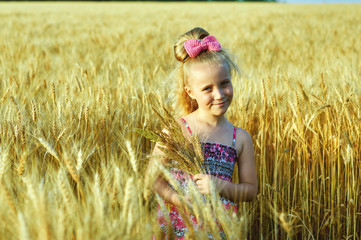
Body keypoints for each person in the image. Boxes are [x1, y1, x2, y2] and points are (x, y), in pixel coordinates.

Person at [152, 27, 257, 239]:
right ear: (190, 92)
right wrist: (176, 198)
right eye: (207, 88)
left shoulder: (241, 138)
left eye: (224, 83)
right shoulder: (176, 130)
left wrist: (220, 186)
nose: (219, 94)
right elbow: (153, 179)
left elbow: (250, 190)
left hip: (219, 228)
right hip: (176, 227)